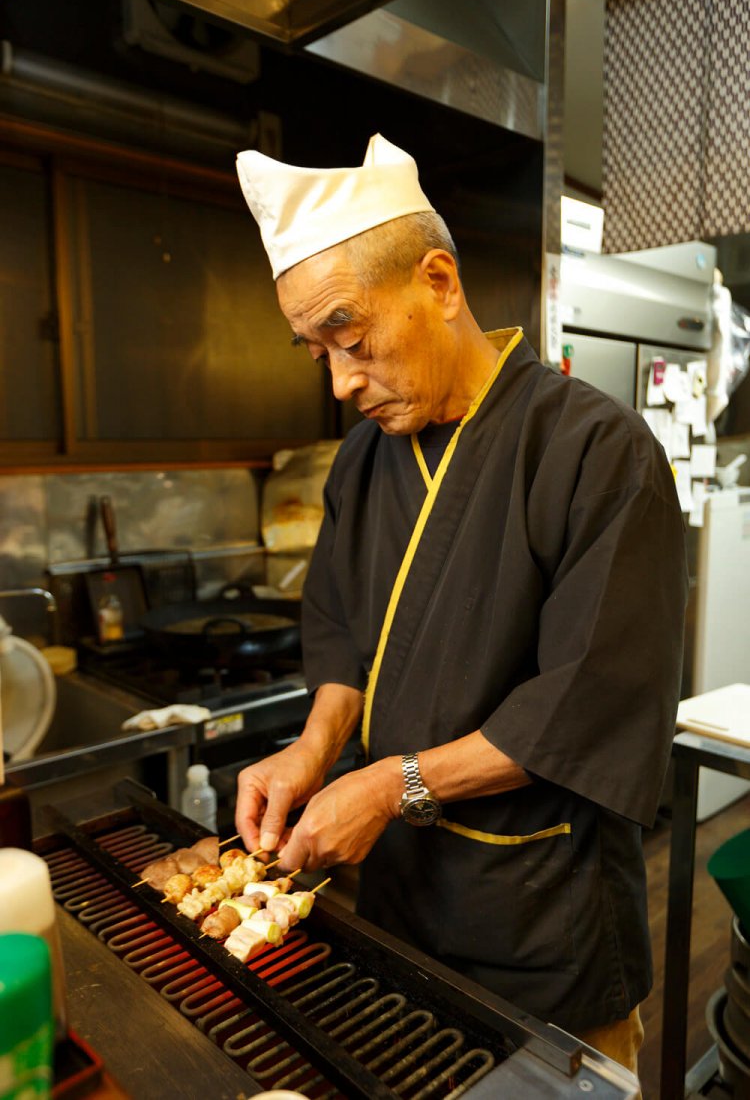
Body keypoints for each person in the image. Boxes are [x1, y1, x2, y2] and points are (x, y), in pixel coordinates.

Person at [233, 133, 688, 1074]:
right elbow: (344, 632)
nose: (341, 381)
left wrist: (387, 784)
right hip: (402, 907)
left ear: (439, 282)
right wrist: (315, 749)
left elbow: (583, 704)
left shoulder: (596, 454)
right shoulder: (364, 457)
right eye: (316, 350)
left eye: (351, 340)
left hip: (540, 919)